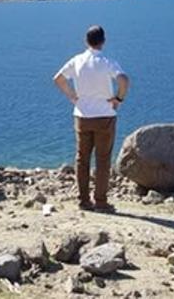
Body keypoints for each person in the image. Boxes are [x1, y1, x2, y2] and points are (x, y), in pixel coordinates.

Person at [53, 25, 130, 212]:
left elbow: (58, 79)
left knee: (82, 159)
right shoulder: (107, 62)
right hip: (105, 116)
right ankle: (101, 202)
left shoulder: (77, 60)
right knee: (103, 160)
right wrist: (119, 98)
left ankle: (84, 201)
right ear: (103, 41)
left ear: (86, 41)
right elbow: (124, 80)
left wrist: (72, 96)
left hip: (82, 116)